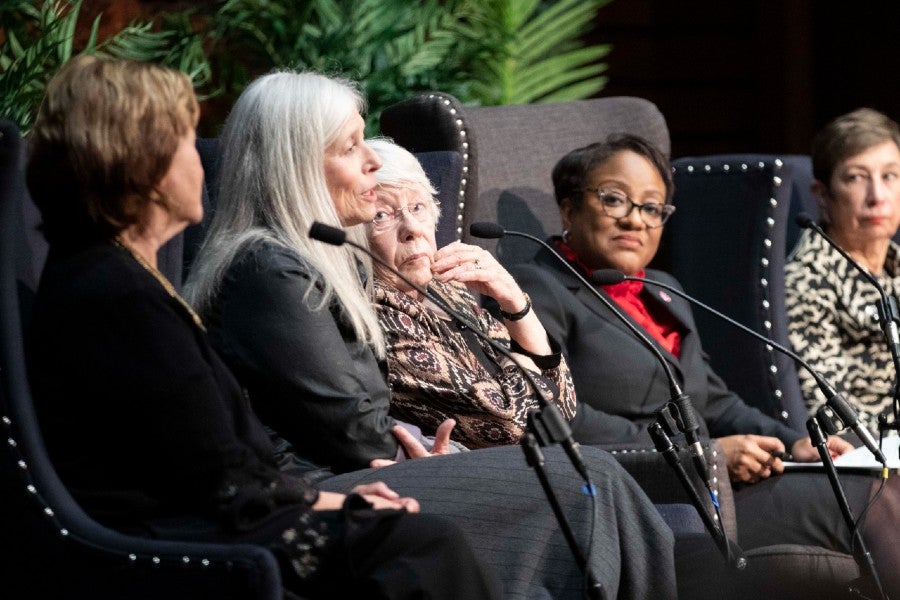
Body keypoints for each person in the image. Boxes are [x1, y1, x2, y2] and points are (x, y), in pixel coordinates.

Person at [183, 70, 677, 599]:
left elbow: (553, 414)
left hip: (380, 467)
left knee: (587, 480)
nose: (370, 160)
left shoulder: (336, 267)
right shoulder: (268, 269)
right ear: (299, 162)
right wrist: (423, 452)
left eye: (419, 207)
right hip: (317, 492)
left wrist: (515, 304)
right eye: (352, 147)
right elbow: (357, 430)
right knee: (590, 479)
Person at [24, 55, 502, 599]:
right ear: (144, 163)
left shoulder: (120, 279)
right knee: (425, 543)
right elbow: (216, 478)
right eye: (187, 139)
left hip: (228, 516)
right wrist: (342, 501)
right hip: (180, 550)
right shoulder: (114, 296)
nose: (207, 159)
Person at [511, 133, 900, 594]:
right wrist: (705, 455)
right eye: (614, 199)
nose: (635, 219)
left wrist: (796, 444)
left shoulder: (661, 288)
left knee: (884, 483)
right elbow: (555, 417)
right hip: (645, 496)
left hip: (714, 483)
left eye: (653, 207)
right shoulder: (537, 290)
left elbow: (715, 401)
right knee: (871, 499)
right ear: (569, 208)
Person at [364, 138, 577, 449]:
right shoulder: (377, 313)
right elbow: (510, 425)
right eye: (380, 215)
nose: (411, 227)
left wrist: (514, 302)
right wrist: (520, 364)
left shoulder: (447, 287)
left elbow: (565, 408)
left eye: (418, 207)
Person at [785, 108, 900, 434]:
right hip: (871, 468)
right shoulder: (807, 281)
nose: (877, 197)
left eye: (889, 176)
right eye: (856, 178)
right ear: (822, 195)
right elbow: (832, 416)